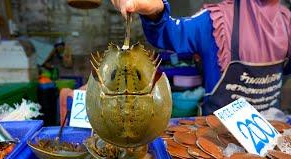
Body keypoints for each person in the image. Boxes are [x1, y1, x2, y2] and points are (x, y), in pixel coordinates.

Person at [111, 0, 291, 115]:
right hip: (218, 140)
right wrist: (155, 11)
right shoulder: (215, 21)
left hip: (270, 132)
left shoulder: (287, 22)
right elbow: (170, 32)